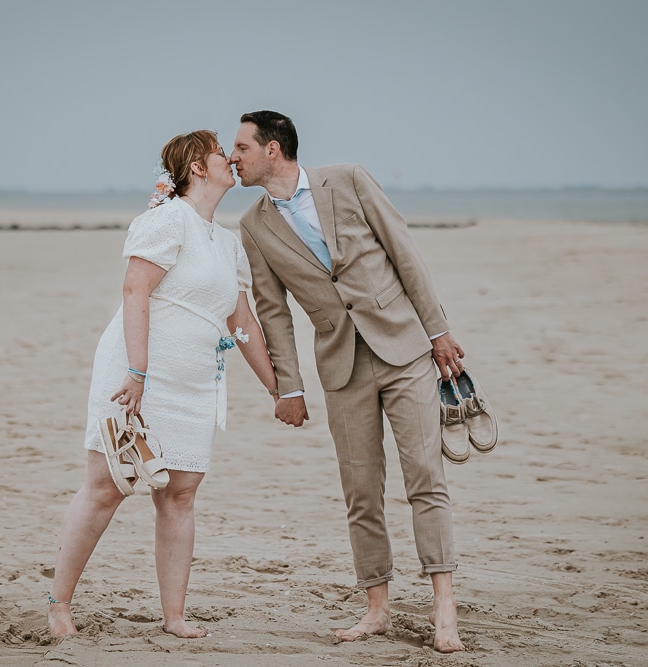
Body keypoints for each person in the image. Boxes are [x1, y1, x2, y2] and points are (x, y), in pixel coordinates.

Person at [230, 111, 467, 653]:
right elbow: (273, 311)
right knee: (361, 493)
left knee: (425, 478)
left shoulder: (350, 179)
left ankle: (444, 607)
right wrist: (287, 388)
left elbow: (405, 254)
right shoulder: (253, 225)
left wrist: (439, 331)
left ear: (273, 150)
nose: (232, 156)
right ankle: (377, 608)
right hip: (341, 366)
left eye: (241, 146)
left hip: (404, 346)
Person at [48, 130, 279, 639]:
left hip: (194, 382)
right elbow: (135, 290)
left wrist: (278, 390)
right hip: (137, 373)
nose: (232, 160)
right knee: (106, 488)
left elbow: (241, 324)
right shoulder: (167, 219)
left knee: (180, 494)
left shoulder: (227, 241)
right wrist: (137, 373)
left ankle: (173, 616)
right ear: (197, 166)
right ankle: (58, 602)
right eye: (223, 152)